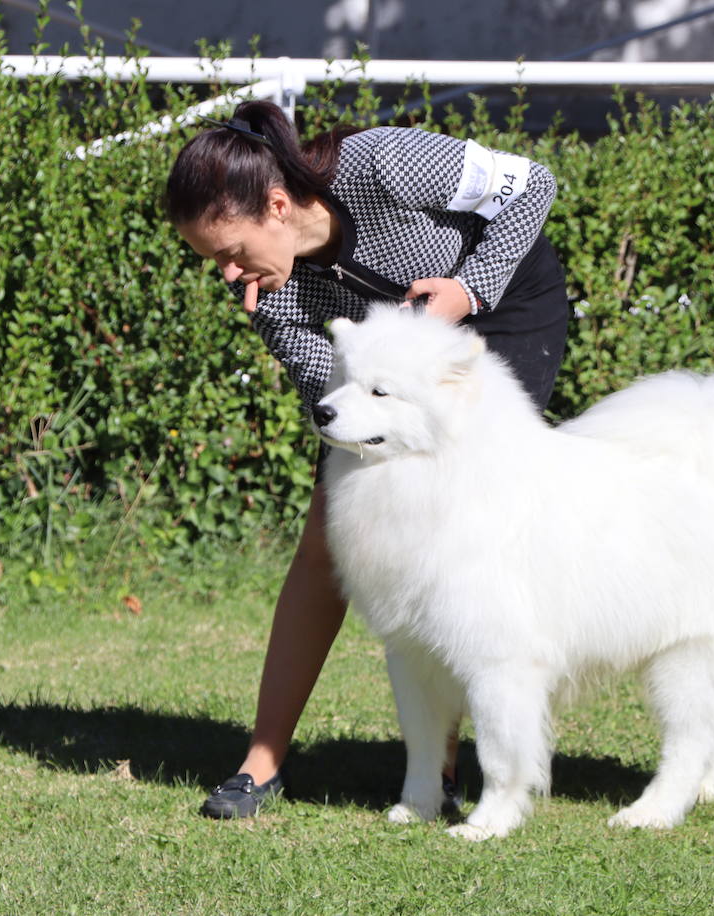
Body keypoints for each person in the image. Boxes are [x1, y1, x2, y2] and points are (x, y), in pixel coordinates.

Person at [164, 99, 569, 818]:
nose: (229, 275)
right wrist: (371, 384)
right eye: (214, 263)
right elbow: (330, 380)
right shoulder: (270, 289)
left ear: (278, 206)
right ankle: (262, 761)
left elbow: (531, 184)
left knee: (452, 538)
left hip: (501, 317)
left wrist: (469, 285)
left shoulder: (382, 162)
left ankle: (437, 773)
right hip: (386, 384)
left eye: (230, 252)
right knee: (325, 537)